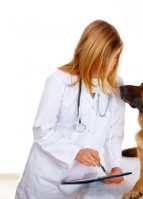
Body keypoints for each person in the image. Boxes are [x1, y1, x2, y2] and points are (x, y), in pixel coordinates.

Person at [15, 20, 126, 199]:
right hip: (47, 181)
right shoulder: (59, 81)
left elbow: (114, 134)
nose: (111, 65)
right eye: (106, 57)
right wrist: (75, 152)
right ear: (91, 52)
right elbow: (42, 130)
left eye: (115, 57)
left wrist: (115, 167)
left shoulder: (116, 85)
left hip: (84, 180)